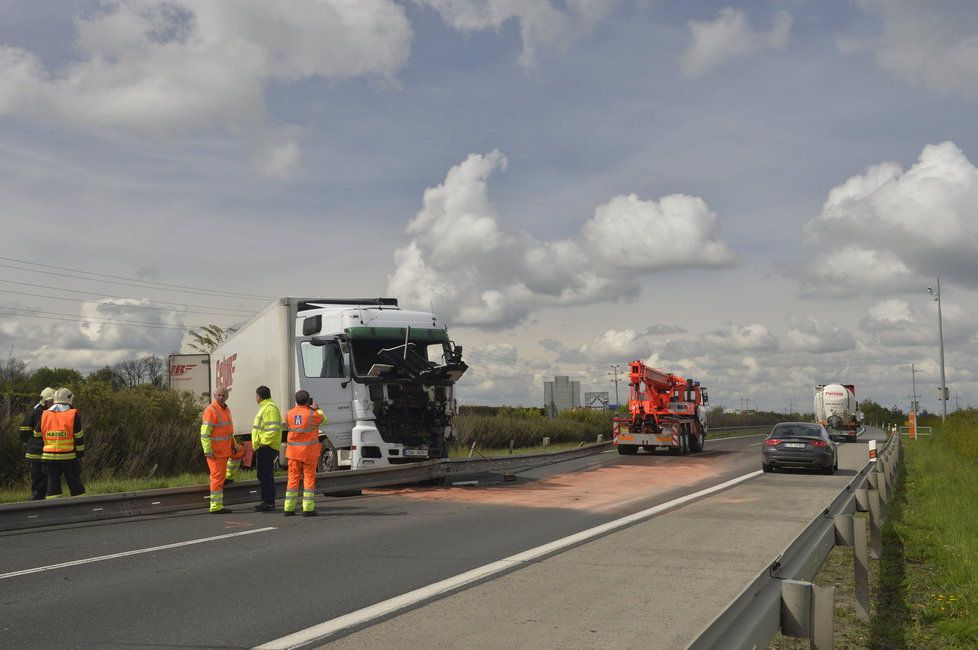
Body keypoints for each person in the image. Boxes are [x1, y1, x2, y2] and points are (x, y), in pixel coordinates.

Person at [200, 386, 242, 514]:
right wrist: (207, 450)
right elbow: (204, 433)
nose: (220, 397)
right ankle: (216, 506)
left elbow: (228, 431)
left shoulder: (225, 409)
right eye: (218, 395)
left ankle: (228, 477)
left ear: (227, 396)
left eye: (223, 395)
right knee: (217, 477)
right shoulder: (211, 410)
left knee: (239, 451)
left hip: (225, 448)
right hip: (216, 452)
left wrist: (233, 444)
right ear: (214, 395)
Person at [283, 390, 326, 517]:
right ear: (308, 401)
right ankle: (307, 509)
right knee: (308, 480)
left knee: (292, 480)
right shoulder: (313, 414)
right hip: (309, 454)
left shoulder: (289, 414)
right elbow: (323, 418)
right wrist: (317, 408)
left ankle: (289, 508)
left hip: (293, 453)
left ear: (296, 400)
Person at [38, 387, 85, 499]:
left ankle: (54, 510)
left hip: (48, 457)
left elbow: (36, 433)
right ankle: (81, 508)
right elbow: (79, 437)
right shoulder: (72, 414)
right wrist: (80, 455)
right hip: (68, 456)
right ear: (69, 399)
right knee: (74, 482)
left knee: (52, 484)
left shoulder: (45, 414)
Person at [248, 385, 283, 512]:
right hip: (263, 447)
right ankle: (268, 501)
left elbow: (272, 429)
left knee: (265, 475)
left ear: (259, 396)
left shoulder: (269, 408)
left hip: (266, 448)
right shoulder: (266, 407)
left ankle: (268, 502)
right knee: (264, 475)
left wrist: (263, 442)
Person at [20, 387, 55, 500]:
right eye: (51, 401)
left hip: (48, 452)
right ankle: (35, 500)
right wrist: (33, 442)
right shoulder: (35, 413)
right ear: (44, 401)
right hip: (36, 453)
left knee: (48, 476)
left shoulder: (52, 412)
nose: (53, 403)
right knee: (37, 477)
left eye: (54, 401)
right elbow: (24, 432)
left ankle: (36, 498)